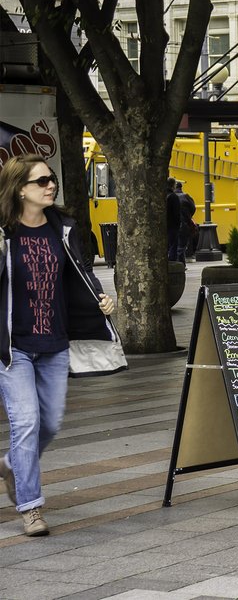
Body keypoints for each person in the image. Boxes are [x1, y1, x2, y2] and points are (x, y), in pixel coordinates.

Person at [0, 154, 116, 536]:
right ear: (19, 189)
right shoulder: (4, 234)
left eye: (52, 179)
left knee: (49, 423)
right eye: (41, 181)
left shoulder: (62, 228)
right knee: (26, 423)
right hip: (13, 347)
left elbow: (80, 273)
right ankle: (31, 507)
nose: (51, 186)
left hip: (54, 343)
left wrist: (100, 298)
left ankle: (12, 465)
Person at [174, 180, 196, 263]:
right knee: (181, 246)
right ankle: (181, 264)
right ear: (181, 187)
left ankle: (177, 263)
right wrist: (188, 216)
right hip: (184, 223)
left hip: (172, 224)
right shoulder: (186, 196)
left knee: (174, 245)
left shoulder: (169, 196)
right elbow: (193, 208)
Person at [165, 177, 180, 261]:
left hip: (164, 225)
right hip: (172, 226)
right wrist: (178, 225)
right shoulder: (174, 197)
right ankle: (172, 263)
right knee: (173, 246)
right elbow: (176, 213)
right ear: (173, 185)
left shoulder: (162, 195)